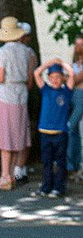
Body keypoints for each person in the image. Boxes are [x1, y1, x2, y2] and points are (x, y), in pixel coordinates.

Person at [0, 17, 33, 191]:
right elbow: (29, 79)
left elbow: (0, 78)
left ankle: (5, 175)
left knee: (6, 137)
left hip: (6, 93)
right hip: (21, 93)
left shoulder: (2, 52)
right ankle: (11, 174)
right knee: (16, 135)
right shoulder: (27, 52)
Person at [32, 59, 74, 198]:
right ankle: (46, 187)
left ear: (62, 78)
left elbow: (72, 74)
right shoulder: (46, 90)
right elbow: (37, 73)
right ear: (49, 79)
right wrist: (48, 64)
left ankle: (59, 187)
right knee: (46, 162)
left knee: (60, 162)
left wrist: (62, 64)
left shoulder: (66, 92)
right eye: (52, 77)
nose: (55, 80)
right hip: (45, 132)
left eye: (58, 77)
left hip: (60, 132)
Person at [14, 22, 40, 184]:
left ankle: (19, 166)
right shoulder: (9, 52)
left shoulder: (29, 54)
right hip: (19, 94)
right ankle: (18, 167)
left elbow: (30, 80)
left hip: (26, 96)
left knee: (25, 131)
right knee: (18, 131)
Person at [67, 34, 83, 177]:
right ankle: (73, 163)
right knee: (74, 132)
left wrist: (70, 79)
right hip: (73, 96)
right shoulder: (74, 63)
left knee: (71, 126)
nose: (78, 48)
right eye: (77, 44)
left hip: (81, 95)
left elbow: (75, 79)